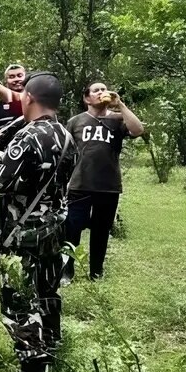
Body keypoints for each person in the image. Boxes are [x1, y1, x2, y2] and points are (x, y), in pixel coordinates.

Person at [0, 71, 75, 372]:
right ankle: (50, 347)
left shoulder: (29, 138)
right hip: (52, 229)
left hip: (22, 234)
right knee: (48, 293)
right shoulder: (66, 135)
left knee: (18, 302)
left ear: (29, 99)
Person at [64, 82, 145, 281]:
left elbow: (138, 130)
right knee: (71, 229)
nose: (101, 92)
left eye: (104, 89)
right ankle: (67, 271)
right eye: (96, 90)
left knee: (101, 232)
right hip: (80, 184)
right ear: (86, 98)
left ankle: (96, 272)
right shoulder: (75, 122)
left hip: (108, 186)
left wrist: (122, 106)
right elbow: (66, 152)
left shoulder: (118, 120)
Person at [0, 64, 28, 139]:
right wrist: (2, 138)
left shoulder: (36, 100)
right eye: (11, 77)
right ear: (6, 82)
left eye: (20, 76)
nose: (16, 79)